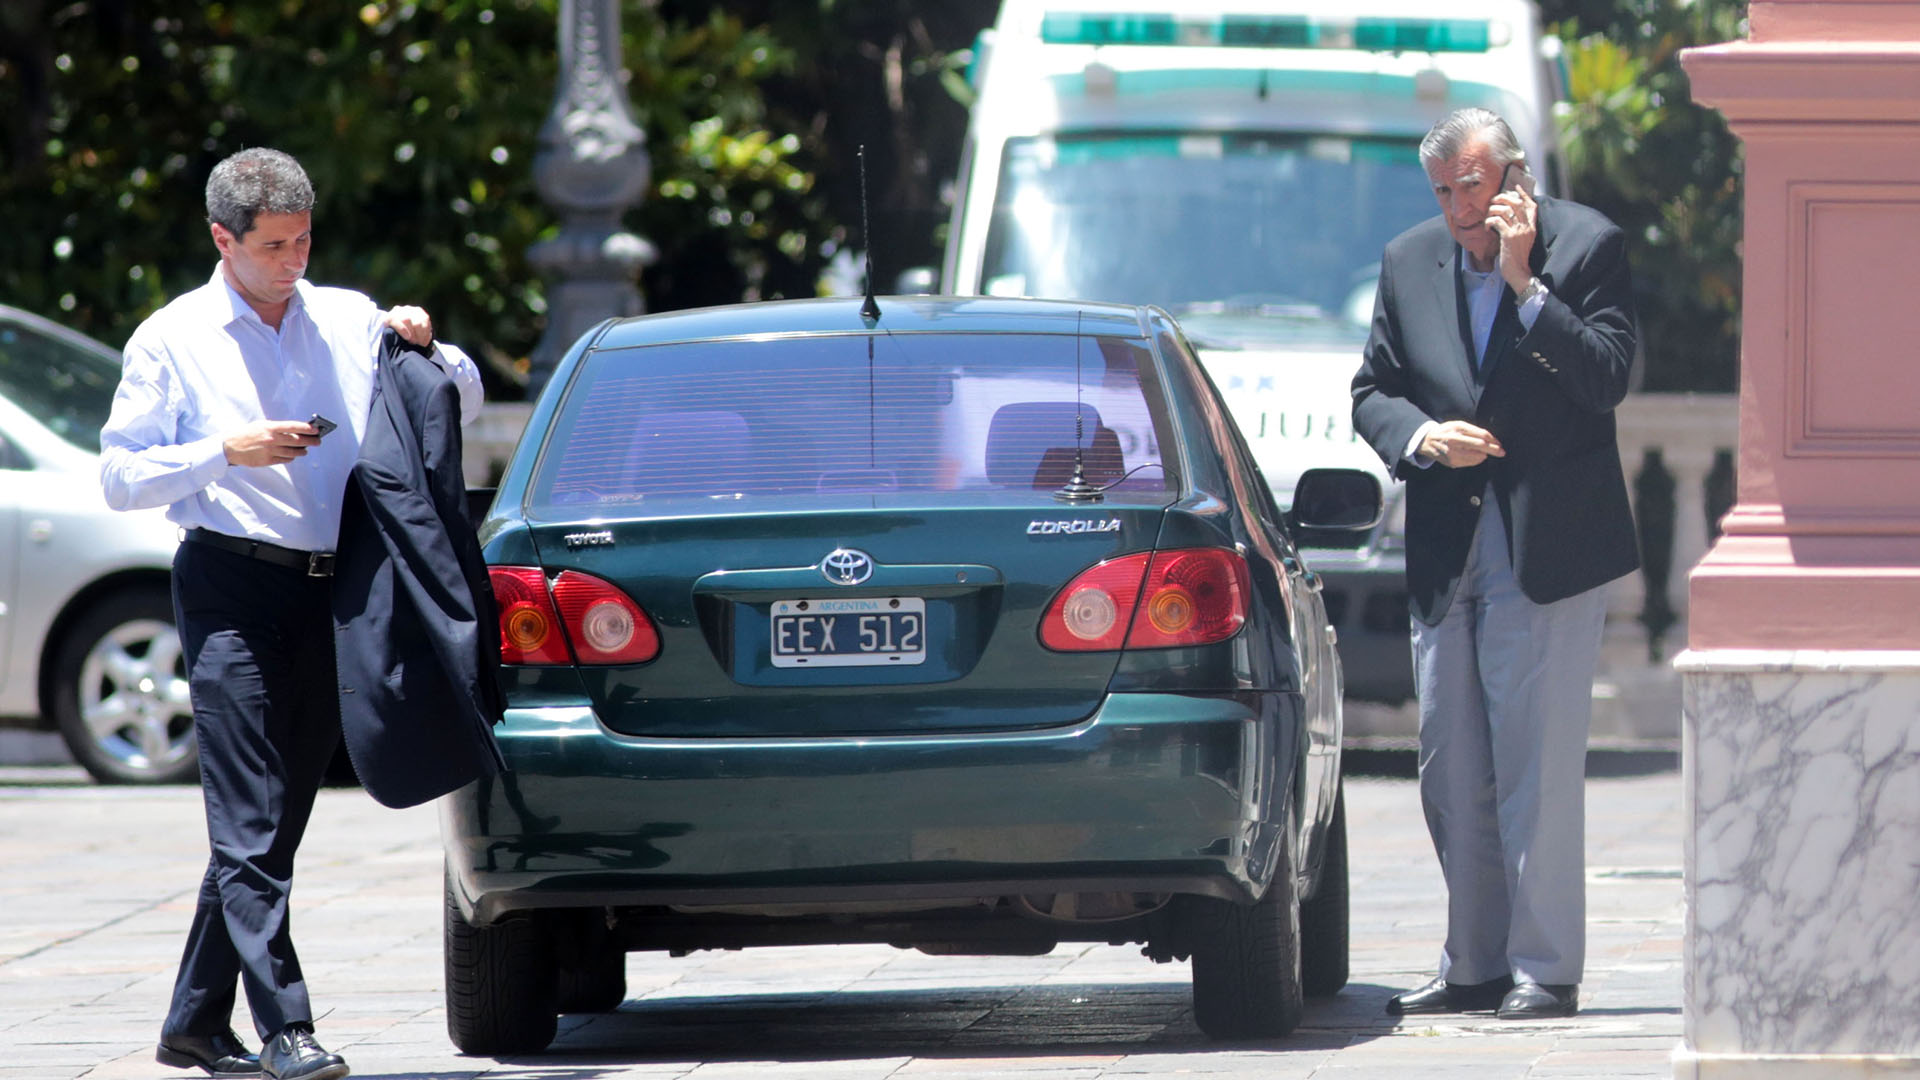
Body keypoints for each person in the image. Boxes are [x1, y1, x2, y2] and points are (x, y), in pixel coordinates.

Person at [101, 148, 486, 1080]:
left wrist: (430, 345)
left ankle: (194, 1023)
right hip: (230, 589)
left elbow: (461, 395)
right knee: (246, 819)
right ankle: (286, 1028)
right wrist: (221, 451)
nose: (291, 261)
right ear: (222, 239)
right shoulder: (172, 337)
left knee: (272, 822)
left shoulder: (350, 319)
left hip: (336, 591)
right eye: (272, 245)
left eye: (303, 240)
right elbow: (119, 476)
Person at [1351, 108, 1639, 1021]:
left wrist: (1525, 289)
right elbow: (1373, 391)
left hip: (1547, 544)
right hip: (1449, 543)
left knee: (1536, 768)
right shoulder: (1408, 262)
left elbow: (1606, 377)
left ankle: (1544, 969)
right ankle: (1472, 961)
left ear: (1514, 176)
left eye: (1470, 186)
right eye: (1442, 191)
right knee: (1449, 764)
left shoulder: (1587, 246)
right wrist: (1427, 437)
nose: (1456, 208)